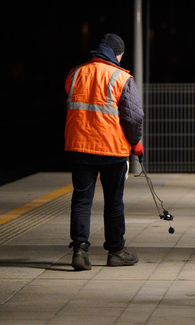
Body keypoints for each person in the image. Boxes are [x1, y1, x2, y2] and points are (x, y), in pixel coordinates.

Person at [64, 33, 144, 270]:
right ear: (117, 54)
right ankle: (116, 251)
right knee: (114, 202)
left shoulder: (75, 73)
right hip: (112, 149)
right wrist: (136, 142)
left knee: (81, 201)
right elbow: (133, 116)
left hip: (80, 147)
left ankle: (79, 250)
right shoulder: (121, 77)